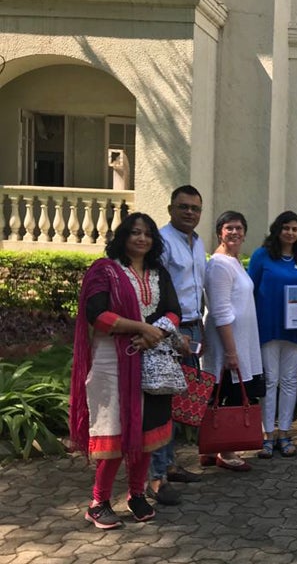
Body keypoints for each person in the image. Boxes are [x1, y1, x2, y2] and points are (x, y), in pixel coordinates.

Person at [70, 213, 181, 529]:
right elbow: (97, 316)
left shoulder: (159, 272)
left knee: (146, 432)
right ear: (123, 236)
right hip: (112, 361)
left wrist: (156, 332)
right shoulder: (105, 271)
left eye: (147, 234)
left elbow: (175, 310)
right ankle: (98, 502)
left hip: (150, 360)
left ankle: (135, 494)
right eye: (135, 232)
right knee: (114, 432)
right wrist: (142, 328)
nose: (141, 238)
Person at [147, 185, 206, 506]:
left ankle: (169, 464)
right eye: (183, 207)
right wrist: (172, 333)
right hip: (171, 330)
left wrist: (202, 330)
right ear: (171, 208)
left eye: (195, 208)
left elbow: (198, 290)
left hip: (193, 326)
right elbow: (157, 291)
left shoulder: (197, 242)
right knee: (162, 402)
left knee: (178, 403)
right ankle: (157, 477)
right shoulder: (162, 241)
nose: (189, 213)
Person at [202, 211, 264, 472]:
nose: (235, 232)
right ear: (220, 232)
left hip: (241, 341)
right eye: (229, 228)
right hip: (229, 343)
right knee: (226, 395)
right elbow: (220, 310)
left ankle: (212, 447)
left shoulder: (233, 261)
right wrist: (230, 351)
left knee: (225, 394)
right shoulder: (218, 265)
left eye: (239, 228)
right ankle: (226, 452)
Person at [248, 211, 297, 458]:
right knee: (270, 381)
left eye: (295, 229)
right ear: (277, 230)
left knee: (288, 382)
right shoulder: (261, 256)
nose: (290, 233)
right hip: (267, 328)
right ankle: (267, 435)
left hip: (294, 331)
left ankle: (285, 433)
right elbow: (249, 291)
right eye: (286, 228)